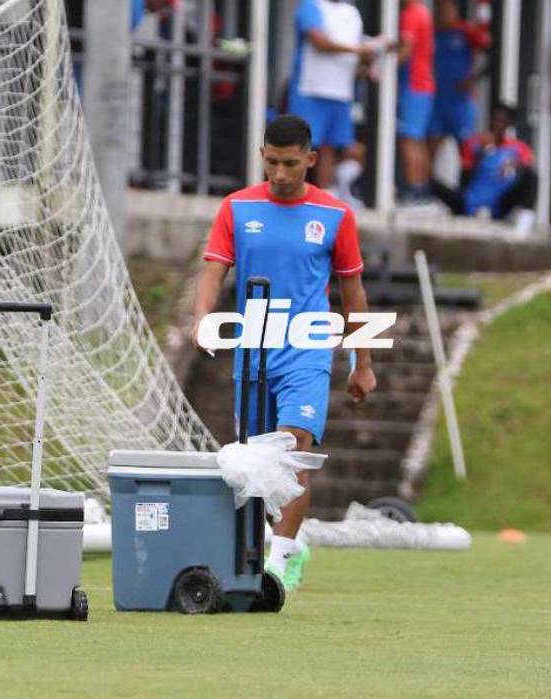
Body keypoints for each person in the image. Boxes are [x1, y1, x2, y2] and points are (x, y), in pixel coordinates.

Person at [192, 114, 377, 592]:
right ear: (262, 157)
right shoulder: (236, 208)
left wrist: (364, 362)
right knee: (254, 462)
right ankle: (266, 549)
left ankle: (280, 561)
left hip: (308, 347)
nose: (280, 173)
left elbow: (353, 291)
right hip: (253, 350)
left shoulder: (335, 215)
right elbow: (214, 269)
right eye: (272, 162)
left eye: (290, 163)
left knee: (294, 452)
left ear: (310, 160)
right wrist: (203, 319)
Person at [288, 0, 373, 193]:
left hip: (341, 91)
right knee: (300, 145)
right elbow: (318, 41)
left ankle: (326, 193)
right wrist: (358, 50)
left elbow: (360, 49)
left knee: (331, 147)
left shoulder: (352, 12)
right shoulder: (311, 6)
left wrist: (370, 54)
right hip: (310, 88)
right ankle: (290, 192)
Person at [431, 103, 537, 226]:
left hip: (500, 200)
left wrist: (513, 163)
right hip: (472, 198)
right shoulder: (476, 142)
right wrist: (480, 152)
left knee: (532, 175)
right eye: (494, 119)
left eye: (502, 121)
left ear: (508, 124)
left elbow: (529, 164)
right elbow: (465, 174)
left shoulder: (518, 147)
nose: (497, 124)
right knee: (433, 184)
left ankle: (524, 220)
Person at [428, 0, 490, 167]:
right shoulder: (433, 33)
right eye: (438, 8)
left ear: (454, 9)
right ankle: (425, 189)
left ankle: (468, 186)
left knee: (467, 148)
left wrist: (472, 79)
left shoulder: (466, 32)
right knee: (431, 143)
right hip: (438, 98)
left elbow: (489, 54)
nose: (441, 12)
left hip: (461, 101)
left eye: (445, 7)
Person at [398, 0, 435, 201]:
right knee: (418, 140)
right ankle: (421, 188)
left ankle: (414, 190)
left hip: (414, 83)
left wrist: (383, 67)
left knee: (409, 139)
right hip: (423, 83)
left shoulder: (411, 13)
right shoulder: (423, 11)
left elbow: (406, 49)